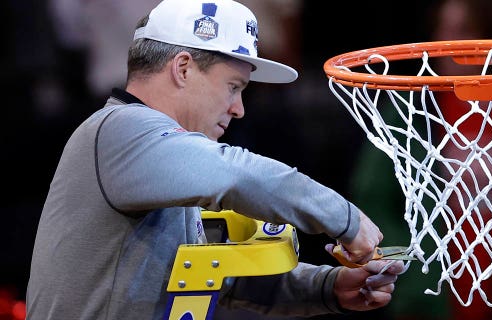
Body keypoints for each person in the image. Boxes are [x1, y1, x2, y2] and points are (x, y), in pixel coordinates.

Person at [25, 0, 405, 319]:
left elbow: (213, 276)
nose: (239, 108)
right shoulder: (121, 130)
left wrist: (328, 287)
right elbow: (237, 173)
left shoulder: (159, 157)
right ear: (183, 68)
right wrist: (347, 220)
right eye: (233, 87)